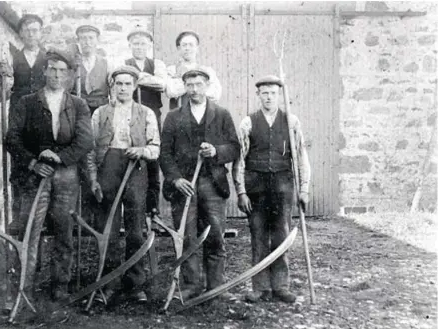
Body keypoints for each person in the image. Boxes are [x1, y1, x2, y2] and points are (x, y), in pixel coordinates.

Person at [5, 49, 93, 302]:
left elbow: (85, 140)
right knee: (30, 229)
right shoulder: (27, 102)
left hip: (66, 175)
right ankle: (25, 285)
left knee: (64, 229)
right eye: (52, 69)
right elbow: (12, 138)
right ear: (44, 71)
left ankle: (60, 284)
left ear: (68, 75)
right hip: (35, 175)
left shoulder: (77, 104)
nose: (56, 74)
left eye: (62, 71)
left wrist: (62, 157)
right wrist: (33, 163)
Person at [160, 68, 239, 300]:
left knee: (215, 235)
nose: (194, 89)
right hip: (184, 187)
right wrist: (175, 179)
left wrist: (216, 151)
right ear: (185, 87)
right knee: (187, 236)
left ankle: (215, 286)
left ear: (207, 86)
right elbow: (164, 153)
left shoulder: (222, 114)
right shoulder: (173, 117)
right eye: (190, 85)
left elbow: (234, 147)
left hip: (212, 184)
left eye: (199, 84)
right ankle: (191, 285)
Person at [233, 75, 311, 304]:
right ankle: (260, 287)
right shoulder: (248, 123)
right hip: (255, 187)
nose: (269, 97)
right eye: (264, 93)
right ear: (258, 95)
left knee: (281, 234)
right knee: (258, 236)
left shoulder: (291, 122)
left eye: (273, 93)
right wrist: (241, 191)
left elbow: (301, 157)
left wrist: (303, 189)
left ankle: (280, 286)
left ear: (280, 95)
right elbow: (240, 160)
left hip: (282, 187)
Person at [86, 65, 160, 303]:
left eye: (128, 84)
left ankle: (135, 282)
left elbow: (156, 148)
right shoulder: (100, 114)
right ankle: (108, 283)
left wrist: (142, 150)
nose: (123, 88)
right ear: (112, 86)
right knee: (107, 227)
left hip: (135, 170)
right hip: (108, 168)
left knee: (135, 229)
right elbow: (90, 149)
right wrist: (94, 178)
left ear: (135, 87)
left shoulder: (146, 113)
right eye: (119, 83)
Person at [0, 14, 46, 229]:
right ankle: (19, 217)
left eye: (35, 30)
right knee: (19, 162)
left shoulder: (49, 58)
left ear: (41, 33)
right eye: (26, 30)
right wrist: (2, 79)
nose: (31, 34)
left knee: (43, 161)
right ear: (21, 34)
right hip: (19, 114)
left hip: (44, 114)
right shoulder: (12, 59)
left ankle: (44, 217)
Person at [125, 28, 167, 217]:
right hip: (131, 114)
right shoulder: (124, 63)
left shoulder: (157, 64)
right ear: (130, 45)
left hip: (152, 115)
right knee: (131, 154)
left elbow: (162, 84)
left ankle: (152, 209)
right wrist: (146, 79)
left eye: (143, 43)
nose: (139, 47)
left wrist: (139, 77)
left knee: (152, 158)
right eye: (135, 43)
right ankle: (133, 210)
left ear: (149, 46)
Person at [166, 31, 222, 109]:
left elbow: (215, 94)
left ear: (197, 48)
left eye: (191, 45)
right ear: (179, 48)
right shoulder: (172, 70)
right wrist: (200, 86)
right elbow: (171, 91)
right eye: (184, 45)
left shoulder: (207, 71)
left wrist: (181, 84)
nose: (187, 48)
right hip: (178, 116)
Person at [73, 25, 111, 114]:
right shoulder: (73, 63)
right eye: (83, 38)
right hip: (78, 109)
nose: (87, 42)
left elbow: (112, 90)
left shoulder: (107, 63)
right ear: (78, 41)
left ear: (97, 40)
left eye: (91, 38)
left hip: (101, 109)